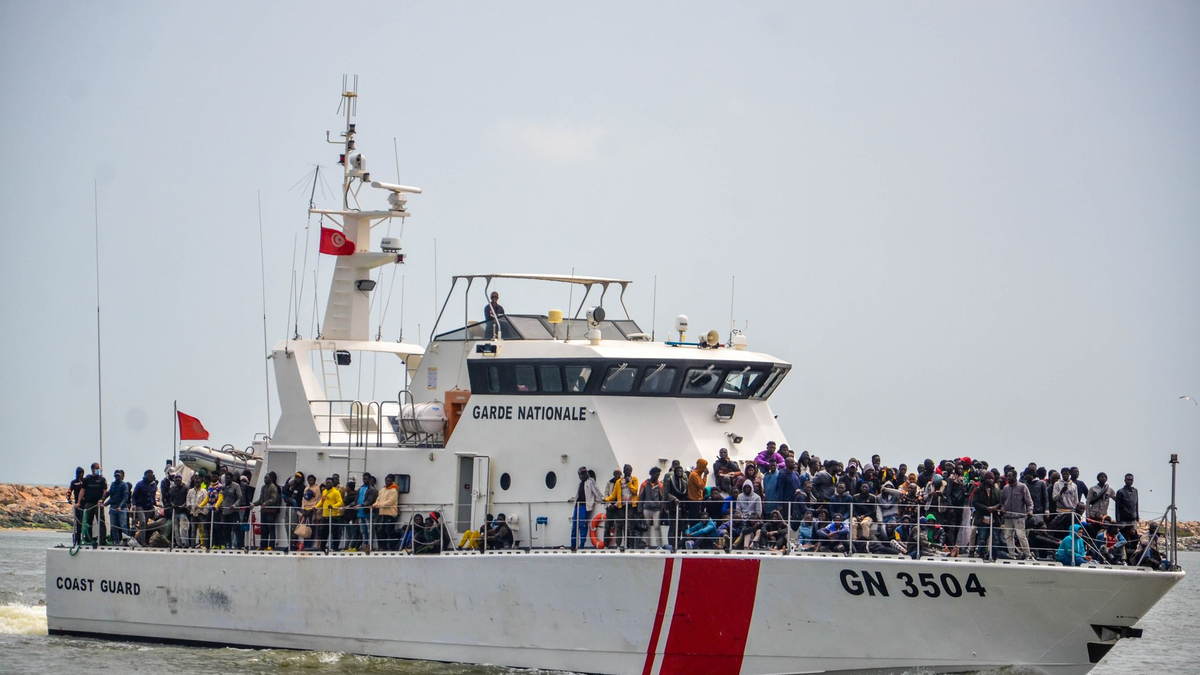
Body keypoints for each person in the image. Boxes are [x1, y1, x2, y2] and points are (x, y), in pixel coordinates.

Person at [569, 466, 605, 550]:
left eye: (585, 472)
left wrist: (603, 498)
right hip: (577, 506)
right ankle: (573, 545)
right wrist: (573, 499)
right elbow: (578, 494)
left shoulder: (590, 481)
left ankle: (581, 545)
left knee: (582, 525)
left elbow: (596, 491)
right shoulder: (580, 483)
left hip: (585, 507)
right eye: (582, 473)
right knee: (574, 526)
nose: (584, 474)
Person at [1000, 469, 1033, 560]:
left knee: (1021, 536)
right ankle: (1011, 554)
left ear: (1015, 477)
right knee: (1008, 536)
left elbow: (1029, 502)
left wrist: (1030, 511)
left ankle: (1028, 555)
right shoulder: (1005, 488)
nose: (1008, 478)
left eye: (1010, 476)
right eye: (1007, 476)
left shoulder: (1023, 487)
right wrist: (1002, 508)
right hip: (1007, 517)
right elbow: (1002, 501)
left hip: (1019, 517)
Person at [604, 464, 639, 548]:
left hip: (631, 505)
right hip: (621, 506)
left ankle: (630, 545)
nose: (629, 472)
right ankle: (618, 545)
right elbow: (613, 495)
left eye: (630, 470)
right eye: (627, 470)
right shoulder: (618, 481)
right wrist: (606, 500)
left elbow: (635, 491)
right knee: (620, 525)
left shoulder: (634, 479)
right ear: (624, 471)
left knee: (630, 525)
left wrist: (629, 483)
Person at [78, 462, 108, 546]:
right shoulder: (87, 479)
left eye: (99, 468)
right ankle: (88, 539)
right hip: (89, 503)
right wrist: (78, 502)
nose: (98, 470)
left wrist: (102, 500)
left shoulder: (102, 479)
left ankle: (102, 540)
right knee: (88, 522)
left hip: (98, 504)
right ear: (92, 469)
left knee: (101, 521)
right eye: (96, 468)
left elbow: (105, 491)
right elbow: (82, 491)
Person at [637, 467, 666, 549]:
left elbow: (662, 498)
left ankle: (659, 544)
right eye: (656, 475)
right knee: (647, 526)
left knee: (657, 526)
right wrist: (640, 510)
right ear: (652, 474)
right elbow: (641, 498)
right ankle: (647, 544)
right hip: (647, 508)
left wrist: (662, 508)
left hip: (656, 509)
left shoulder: (660, 485)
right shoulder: (644, 484)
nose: (657, 477)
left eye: (658, 475)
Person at [253, 471, 281, 551]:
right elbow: (261, 500)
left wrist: (266, 503)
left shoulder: (273, 487)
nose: (265, 479)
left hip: (271, 511)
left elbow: (274, 499)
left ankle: (271, 546)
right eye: (264, 478)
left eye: (266, 478)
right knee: (264, 529)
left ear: (271, 479)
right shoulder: (263, 487)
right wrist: (254, 504)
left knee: (271, 529)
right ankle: (263, 545)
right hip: (264, 511)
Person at [664, 462, 689, 550]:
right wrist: (674, 499)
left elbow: (686, 494)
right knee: (673, 527)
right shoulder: (670, 480)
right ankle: (672, 545)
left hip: (682, 508)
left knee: (682, 527)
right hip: (673, 507)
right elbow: (666, 493)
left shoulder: (685, 483)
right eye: (678, 471)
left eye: (681, 471)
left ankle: (681, 544)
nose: (680, 473)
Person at [132, 469, 157, 546]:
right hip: (140, 506)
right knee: (142, 522)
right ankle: (143, 542)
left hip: (149, 507)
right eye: (149, 476)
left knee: (144, 524)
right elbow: (134, 495)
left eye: (151, 476)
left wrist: (155, 504)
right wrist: (134, 504)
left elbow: (153, 495)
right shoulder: (140, 484)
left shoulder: (154, 485)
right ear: (145, 476)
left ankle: (140, 540)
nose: (150, 477)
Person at [375, 474, 400, 550]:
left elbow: (390, 502)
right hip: (382, 513)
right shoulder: (382, 490)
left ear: (392, 481)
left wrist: (379, 505)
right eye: (386, 480)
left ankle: (391, 546)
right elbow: (378, 500)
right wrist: (374, 505)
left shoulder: (393, 490)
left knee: (389, 531)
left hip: (390, 514)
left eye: (389, 481)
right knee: (380, 531)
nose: (387, 482)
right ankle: (383, 547)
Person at [105, 469, 130, 544]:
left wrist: (120, 506)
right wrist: (104, 502)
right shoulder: (113, 485)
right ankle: (116, 541)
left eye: (118, 476)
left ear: (121, 476)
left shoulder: (124, 485)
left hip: (121, 508)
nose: (117, 477)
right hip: (113, 507)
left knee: (123, 526)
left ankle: (125, 541)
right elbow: (110, 496)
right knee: (113, 526)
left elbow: (125, 497)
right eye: (116, 476)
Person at [1114, 473, 1139, 544]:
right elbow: (1117, 506)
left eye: (1131, 480)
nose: (1130, 481)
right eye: (1128, 480)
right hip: (1123, 519)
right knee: (1123, 536)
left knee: (1133, 536)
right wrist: (1118, 520)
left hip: (1133, 518)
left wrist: (1137, 516)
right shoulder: (1120, 492)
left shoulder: (1135, 491)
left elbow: (1136, 504)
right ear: (1125, 480)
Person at [356, 473, 379, 552]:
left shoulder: (372, 490)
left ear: (369, 479)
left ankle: (370, 545)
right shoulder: (360, 488)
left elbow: (370, 500)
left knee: (370, 530)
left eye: (366, 479)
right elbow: (356, 499)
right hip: (360, 513)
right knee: (363, 531)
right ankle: (365, 545)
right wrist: (351, 505)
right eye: (363, 479)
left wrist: (361, 505)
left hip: (368, 513)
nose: (364, 480)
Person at [321, 477, 344, 552]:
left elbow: (340, 502)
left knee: (335, 533)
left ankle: (335, 548)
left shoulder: (336, 492)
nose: (328, 484)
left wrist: (333, 506)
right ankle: (322, 548)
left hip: (334, 515)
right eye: (327, 482)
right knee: (324, 532)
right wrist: (316, 506)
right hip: (325, 515)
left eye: (330, 483)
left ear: (332, 484)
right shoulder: (324, 491)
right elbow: (322, 501)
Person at [168, 475, 189, 547]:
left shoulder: (185, 488)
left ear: (181, 480)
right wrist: (172, 504)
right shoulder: (172, 489)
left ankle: (185, 543)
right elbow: (170, 499)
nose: (177, 481)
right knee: (176, 529)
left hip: (183, 511)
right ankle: (178, 543)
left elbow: (188, 499)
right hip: (175, 511)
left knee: (183, 528)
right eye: (176, 480)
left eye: (179, 480)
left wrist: (184, 505)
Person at [68, 467, 86, 546]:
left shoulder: (85, 481)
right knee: (78, 523)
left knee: (87, 522)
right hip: (78, 504)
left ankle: (87, 538)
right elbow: (69, 491)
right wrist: (69, 498)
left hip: (86, 503)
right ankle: (77, 540)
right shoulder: (74, 482)